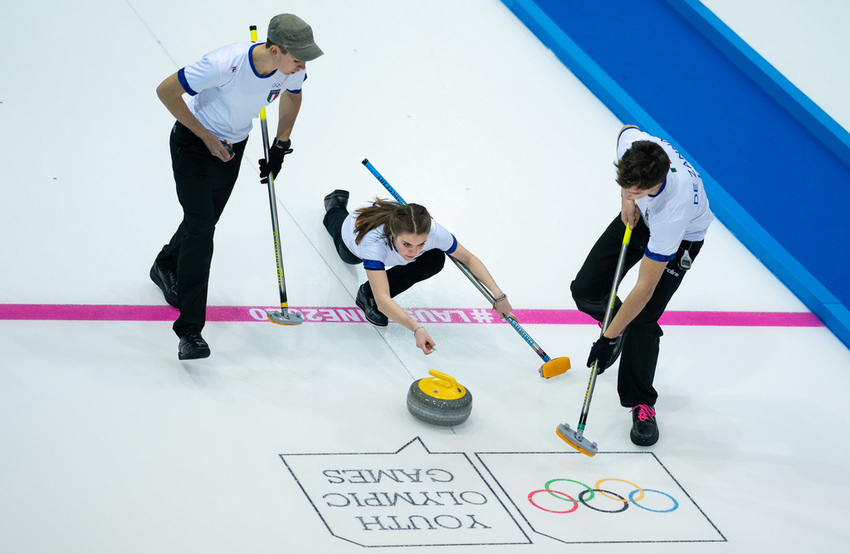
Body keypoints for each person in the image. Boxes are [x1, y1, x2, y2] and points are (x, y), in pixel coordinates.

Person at [149, 14, 323, 360]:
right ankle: (190, 332)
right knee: (201, 230)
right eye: (297, 57)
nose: (302, 65)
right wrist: (206, 136)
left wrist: (280, 145)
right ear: (275, 50)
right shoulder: (223, 64)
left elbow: (292, 97)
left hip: (232, 146)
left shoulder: (293, 68)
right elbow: (166, 91)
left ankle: (165, 264)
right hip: (194, 144)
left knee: (205, 219)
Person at [570, 125, 713, 446]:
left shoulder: (674, 210)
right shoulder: (636, 149)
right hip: (639, 215)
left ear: (654, 184)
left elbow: (645, 287)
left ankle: (641, 402)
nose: (626, 189)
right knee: (586, 289)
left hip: (680, 240)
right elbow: (625, 129)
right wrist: (627, 199)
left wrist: (607, 338)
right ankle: (622, 326)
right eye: (623, 184)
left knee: (643, 318)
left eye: (633, 188)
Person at [322, 190, 514, 355]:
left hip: (391, 231)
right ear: (393, 233)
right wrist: (416, 328)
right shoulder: (373, 242)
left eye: (420, 244)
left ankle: (366, 294)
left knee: (435, 259)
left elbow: (469, 259)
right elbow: (383, 299)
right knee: (346, 253)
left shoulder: (434, 232)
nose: (414, 252)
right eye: (407, 244)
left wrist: (499, 295)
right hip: (353, 237)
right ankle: (335, 207)